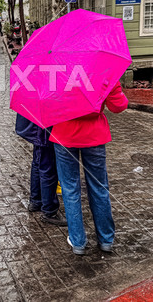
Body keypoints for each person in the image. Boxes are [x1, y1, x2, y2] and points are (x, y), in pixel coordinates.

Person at [49, 81, 128, 255]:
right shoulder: (104, 69)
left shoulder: (57, 71)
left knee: (70, 188)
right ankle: (106, 239)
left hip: (64, 132)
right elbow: (118, 106)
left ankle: (78, 242)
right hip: (94, 134)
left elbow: (47, 103)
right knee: (99, 187)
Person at [16, 114, 67, 226]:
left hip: (37, 128)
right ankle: (49, 210)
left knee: (38, 163)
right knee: (48, 168)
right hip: (44, 129)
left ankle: (36, 200)